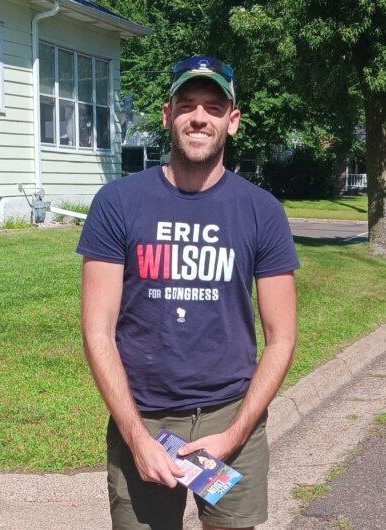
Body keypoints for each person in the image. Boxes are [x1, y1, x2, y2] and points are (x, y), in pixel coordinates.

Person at [77, 56, 299, 530]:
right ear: (167, 115)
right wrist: (137, 438)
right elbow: (97, 331)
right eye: (188, 105)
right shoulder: (118, 203)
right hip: (146, 420)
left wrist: (234, 434)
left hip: (230, 419)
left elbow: (281, 338)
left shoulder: (262, 212)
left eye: (214, 107)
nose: (200, 117)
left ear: (232, 121)